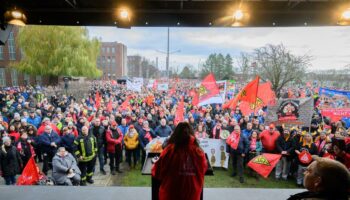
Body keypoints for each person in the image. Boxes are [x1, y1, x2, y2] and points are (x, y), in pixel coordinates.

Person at [152, 122, 207, 200]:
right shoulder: (199, 152)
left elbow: (157, 172)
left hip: (170, 195)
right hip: (192, 195)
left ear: (175, 133)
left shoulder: (169, 150)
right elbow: (203, 169)